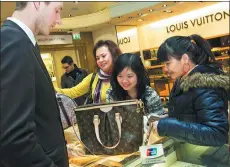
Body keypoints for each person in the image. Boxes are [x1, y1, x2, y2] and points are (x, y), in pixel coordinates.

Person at [1, 2, 69, 167]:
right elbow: (15, 138)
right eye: (57, 10)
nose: (59, 20)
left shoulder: (23, 41)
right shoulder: (14, 42)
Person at [152, 34, 229, 147]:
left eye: (168, 63)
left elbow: (217, 134)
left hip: (207, 156)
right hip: (193, 152)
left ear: (185, 59)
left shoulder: (205, 86)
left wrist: (167, 126)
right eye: (163, 64)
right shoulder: (182, 82)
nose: (165, 69)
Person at [106, 53, 165, 133]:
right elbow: (112, 123)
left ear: (139, 75)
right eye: (120, 76)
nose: (124, 81)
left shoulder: (150, 95)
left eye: (129, 76)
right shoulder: (112, 94)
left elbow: (160, 121)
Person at [55, 40, 122, 103]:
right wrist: (51, 89)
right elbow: (73, 92)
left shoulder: (122, 75)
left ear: (113, 55)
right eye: (97, 58)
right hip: (99, 114)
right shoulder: (94, 77)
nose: (100, 60)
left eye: (103, 56)